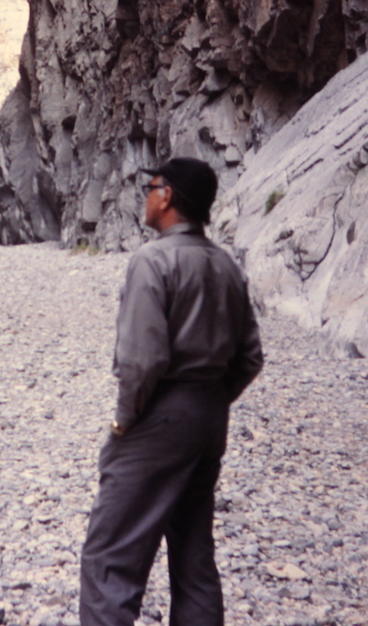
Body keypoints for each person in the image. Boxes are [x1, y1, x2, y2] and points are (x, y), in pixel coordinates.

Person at [79, 157, 264, 626]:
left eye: (152, 187)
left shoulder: (152, 260)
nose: (146, 195)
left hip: (160, 415)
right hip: (209, 418)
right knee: (193, 553)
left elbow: (143, 360)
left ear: (167, 197)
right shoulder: (226, 265)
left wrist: (125, 419)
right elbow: (250, 357)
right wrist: (212, 399)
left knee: (110, 556)